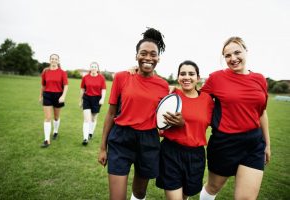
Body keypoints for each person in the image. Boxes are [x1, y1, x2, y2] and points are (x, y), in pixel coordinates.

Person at [98, 27, 169, 200]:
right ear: (136, 55)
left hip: (148, 141)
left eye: (153, 54)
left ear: (158, 58)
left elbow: (163, 119)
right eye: (143, 53)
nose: (148, 58)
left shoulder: (163, 86)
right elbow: (111, 113)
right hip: (121, 139)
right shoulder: (122, 77)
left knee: (139, 193)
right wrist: (102, 147)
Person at [199, 37, 271, 200]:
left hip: (254, 143)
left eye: (237, 52)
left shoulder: (260, 79)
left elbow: (261, 112)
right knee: (213, 187)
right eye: (227, 55)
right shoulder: (216, 78)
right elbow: (196, 99)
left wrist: (267, 144)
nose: (233, 58)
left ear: (246, 51)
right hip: (225, 143)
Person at [156, 60, 214, 200]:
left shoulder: (208, 100)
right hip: (170, 152)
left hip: (196, 156)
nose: (186, 77)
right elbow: (159, 125)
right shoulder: (171, 95)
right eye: (182, 74)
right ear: (178, 77)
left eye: (191, 74)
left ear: (198, 78)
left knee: (184, 197)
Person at [39, 54, 68, 147]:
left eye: (55, 59)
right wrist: (40, 96)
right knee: (48, 117)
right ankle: (47, 140)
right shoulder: (45, 72)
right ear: (50, 60)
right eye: (52, 59)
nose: (54, 60)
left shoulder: (62, 72)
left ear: (58, 61)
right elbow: (43, 85)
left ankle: (55, 131)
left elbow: (66, 86)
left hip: (58, 95)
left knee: (56, 117)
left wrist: (63, 96)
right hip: (47, 95)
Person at [79, 61, 106, 145]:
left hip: (97, 99)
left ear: (97, 69)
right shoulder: (85, 77)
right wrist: (80, 100)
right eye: (92, 66)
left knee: (93, 118)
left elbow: (103, 90)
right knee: (87, 119)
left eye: (95, 67)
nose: (93, 68)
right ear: (90, 68)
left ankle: (90, 132)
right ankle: (85, 138)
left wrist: (102, 99)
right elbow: (82, 89)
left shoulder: (101, 78)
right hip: (87, 98)